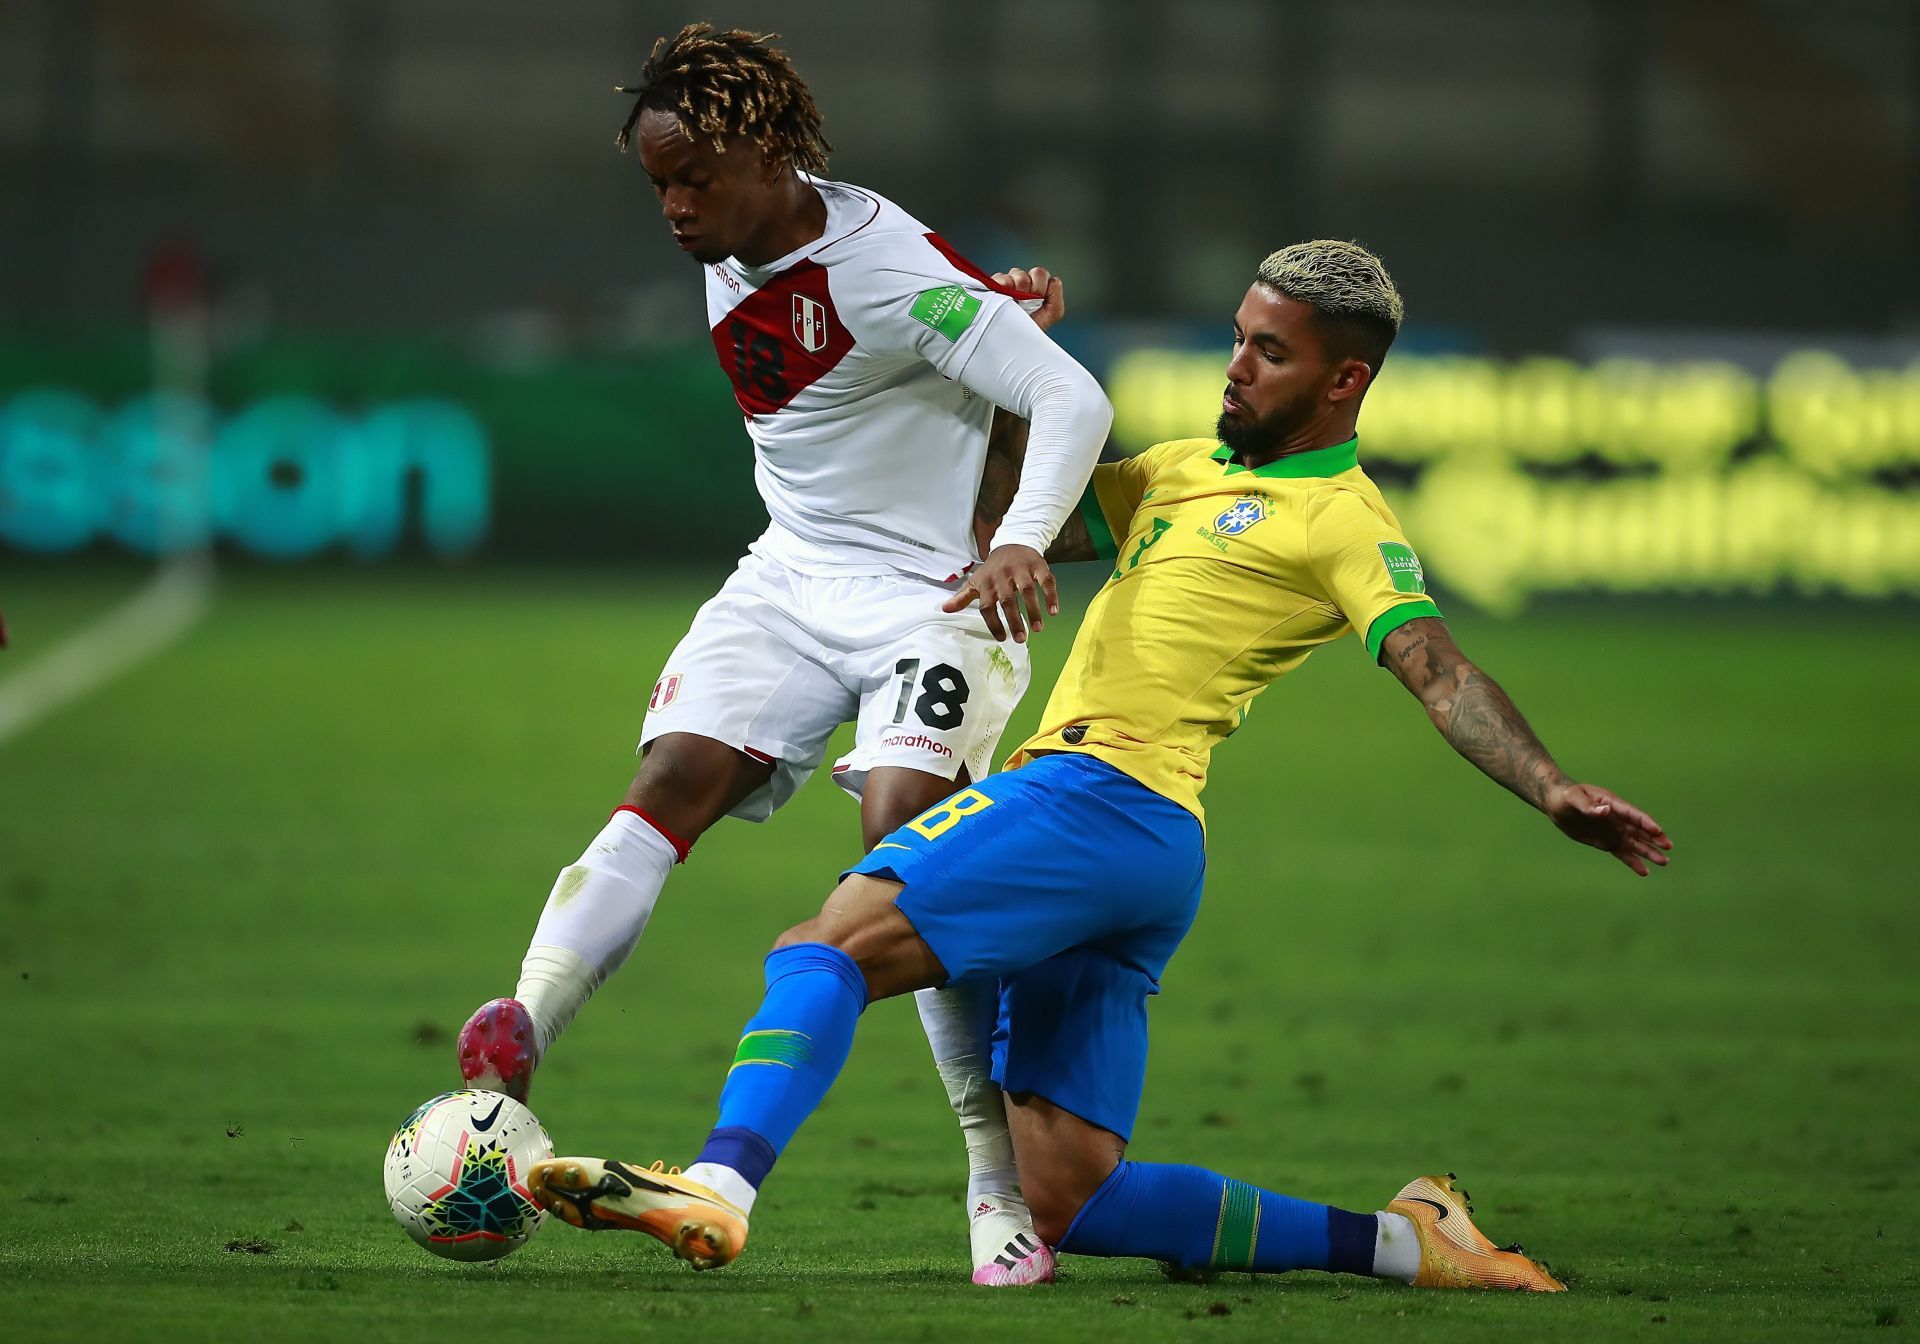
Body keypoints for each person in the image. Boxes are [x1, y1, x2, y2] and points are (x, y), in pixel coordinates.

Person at [523, 239, 1673, 1290]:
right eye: (1237, 337)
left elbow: (1435, 666)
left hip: (1099, 796)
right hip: (1144, 845)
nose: (1236, 369)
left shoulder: (1340, 519)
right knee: (1072, 1192)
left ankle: (720, 1185)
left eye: (1269, 353)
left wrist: (1548, 783)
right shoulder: (1177, 473)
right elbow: (996, 520)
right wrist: (1009, 358)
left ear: (1344, 383)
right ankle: (1407, 1243)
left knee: (820, 948)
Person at [453, 24, 1111, 1287]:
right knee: (664, 785)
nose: (675, 207)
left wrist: (1023, 539)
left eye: (695, 176)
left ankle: (993, 1187)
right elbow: (976, 316)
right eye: (657, 184)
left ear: (767, 150)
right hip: (790, 577)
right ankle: (517, 1033)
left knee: (906, 855)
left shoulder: (883, 265)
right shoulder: (750, 232)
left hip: (932, 597)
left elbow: (1070, 397)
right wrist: (1000, 306)